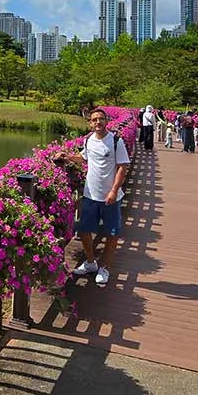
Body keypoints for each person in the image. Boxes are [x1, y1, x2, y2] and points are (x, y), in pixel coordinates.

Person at [66, 107, 131, 285]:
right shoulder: (88, 141)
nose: (98, 122)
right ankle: (90, 262)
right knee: (84, 230)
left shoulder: (115, 141)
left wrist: (113, 190)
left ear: (106, 121)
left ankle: (105, 268)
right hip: (90, 195)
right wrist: (67, 157)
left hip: (110, 197)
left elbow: (122, 167)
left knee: (112, 234)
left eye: (101, 119)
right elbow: (83, 157)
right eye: (94, 120)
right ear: (90, 122)